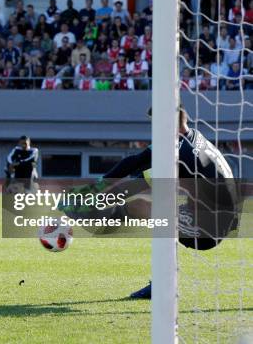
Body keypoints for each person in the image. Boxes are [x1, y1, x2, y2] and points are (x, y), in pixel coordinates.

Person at [62, 106, 239, 299]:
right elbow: (138, 161)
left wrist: (91, 200)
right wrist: (98, 186)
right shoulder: (192, 138)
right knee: (153, 204)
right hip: (215, 216)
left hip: (209, 228)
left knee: (143, 206)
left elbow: (135, 185)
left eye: (157, 124)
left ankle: (162, 284)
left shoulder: (179, 153)